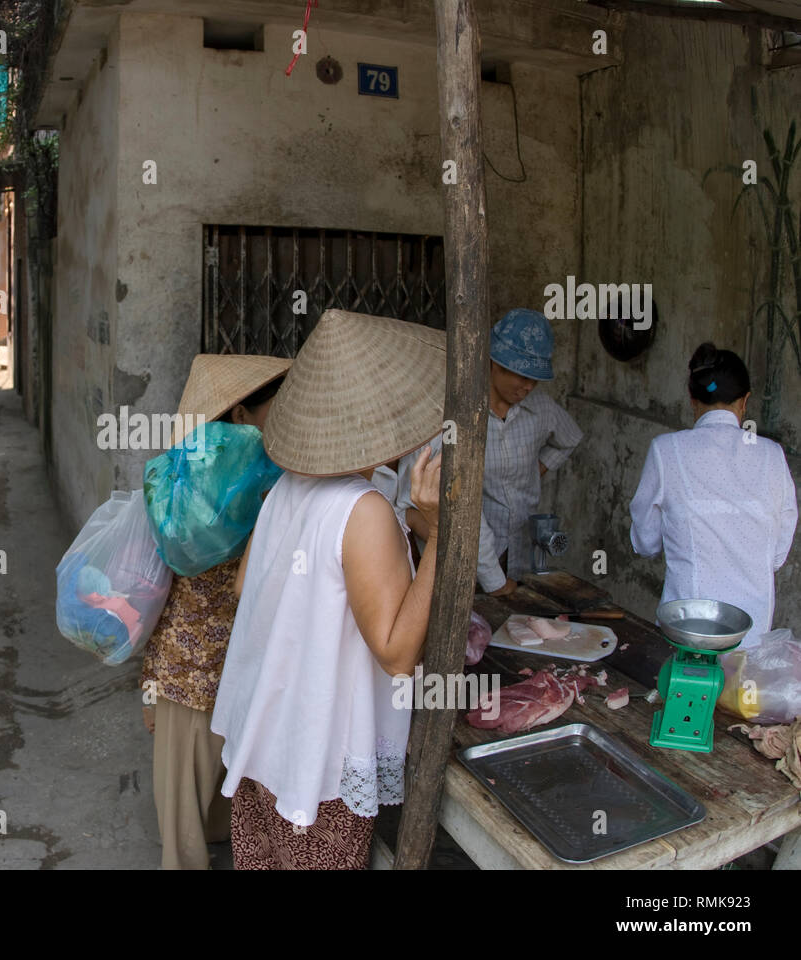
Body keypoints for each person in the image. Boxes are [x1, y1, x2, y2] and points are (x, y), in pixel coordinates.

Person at [210, 310, 445, 870]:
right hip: (319, 770)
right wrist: (438, 537)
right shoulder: (362, 510)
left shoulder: (288, 487)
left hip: (263, 745)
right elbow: (396, 653)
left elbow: (245, 588)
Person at [139, 353, 291, 870]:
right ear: (243, 415)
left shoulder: (193, 468)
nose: (287, 414)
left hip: (196, 655)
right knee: (192, 791)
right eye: (278, 404)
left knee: (193, 782)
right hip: (204, 656)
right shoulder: (248, 477)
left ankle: (207, 843)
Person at [400, 308, 582, 595]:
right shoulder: (449, 419)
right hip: (458, 561)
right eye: (520, 375)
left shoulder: (541, 409)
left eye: (534, 379)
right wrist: (492, 580)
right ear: (491, 363)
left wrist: (535, 471)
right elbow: (444, 510)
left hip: (519, 552)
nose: (527, 386)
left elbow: (570, 438)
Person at [629, 342, 797, 649]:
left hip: (685, 634)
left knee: (679, 694)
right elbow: (775, 555)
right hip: (751, 636)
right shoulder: (772, 456)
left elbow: (645, 543)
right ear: (745, 401)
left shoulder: (666, 450)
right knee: (737, 697)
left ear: (692, 399)